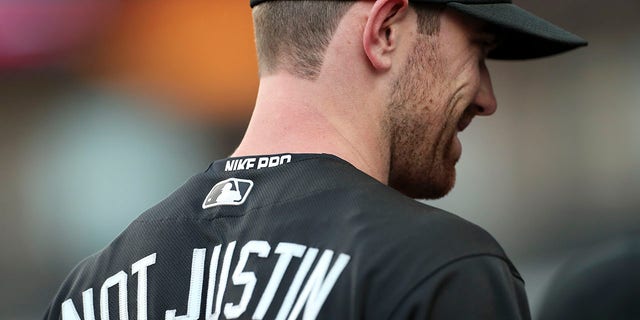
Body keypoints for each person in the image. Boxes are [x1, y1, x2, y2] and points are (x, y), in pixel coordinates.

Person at [44, 0, 586, 319]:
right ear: (386, 31)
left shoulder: (89, 291)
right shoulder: (437, 265)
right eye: (479, 51)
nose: (487, 97)